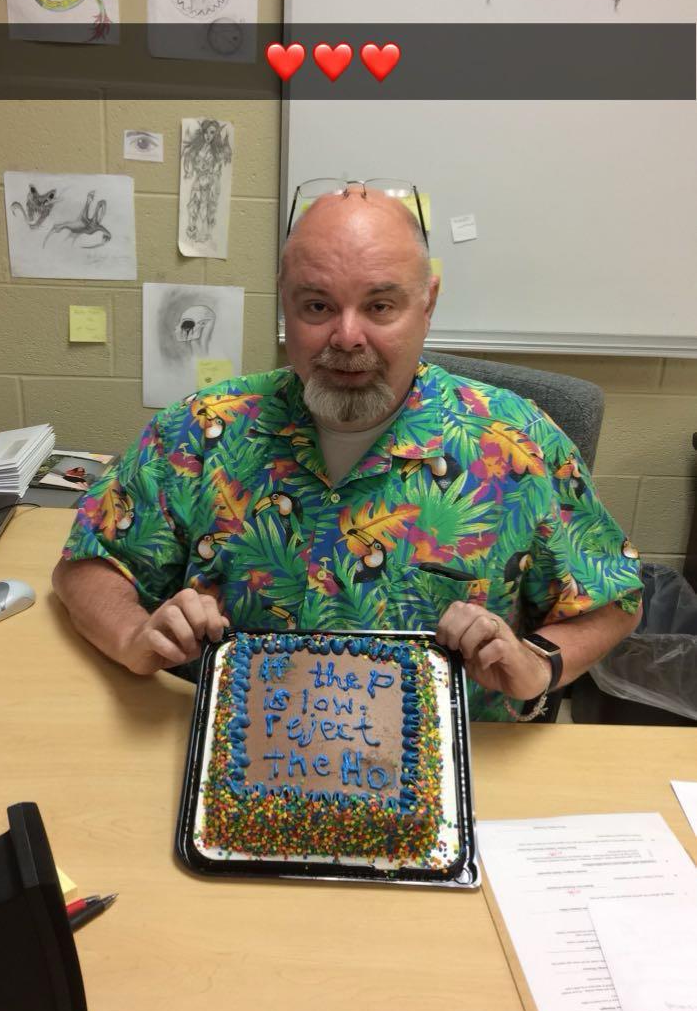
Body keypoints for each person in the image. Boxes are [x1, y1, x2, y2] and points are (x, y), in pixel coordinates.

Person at [52, 185, 642, 720]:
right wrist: (134, 636)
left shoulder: (517, 444)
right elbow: (88, 565)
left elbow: (616, 599)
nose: (348, 337)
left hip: (453, 768)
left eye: (381, 306)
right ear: (285, 304)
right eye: (317, 306)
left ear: (428, 302)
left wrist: (540, 664)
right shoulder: (204, 429)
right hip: (231, 760)